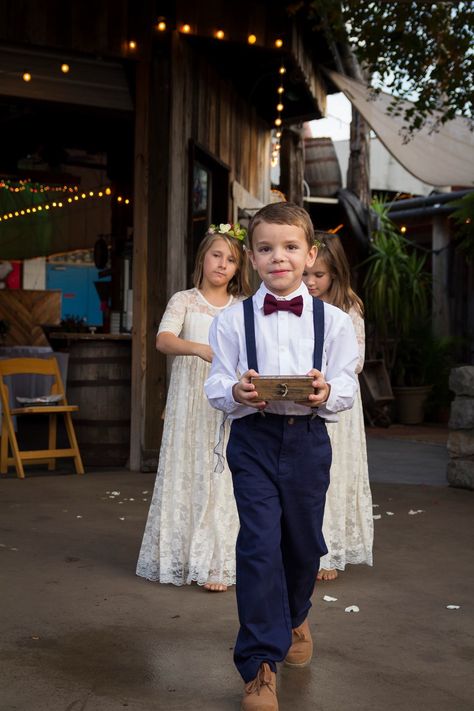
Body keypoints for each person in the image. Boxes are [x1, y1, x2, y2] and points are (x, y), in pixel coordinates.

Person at [205, 203, 359, 710]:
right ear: (251, 256)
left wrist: (324, 391)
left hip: (309, 442)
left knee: (302, 549)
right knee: (258, 548)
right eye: (267, 248)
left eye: (291, 247)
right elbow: (215, 383)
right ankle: (259, 667)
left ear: (310, 254)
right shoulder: (231, 320)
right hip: (253, 441)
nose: (279, 258)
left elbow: (346, 389)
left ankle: (295, 614)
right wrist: (237, 391)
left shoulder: (334, 322)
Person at [136, 223, 251, 592]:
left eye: (231, 259)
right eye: (216, 255)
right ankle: (182, 555)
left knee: (223, 474)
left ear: (237, 268)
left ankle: (218, 562)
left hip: (227, 400)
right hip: (189, 398)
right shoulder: (184, 300)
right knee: (188, 468)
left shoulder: (242, 307)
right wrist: (199, 348)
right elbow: (163, 340)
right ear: (202, 257)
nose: (222, 264)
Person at [303, 233, 373, 582]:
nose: (311, 282)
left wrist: (324, 377)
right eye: (306, 275)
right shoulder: (297, 304)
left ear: (335, 273)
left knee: (334, 474)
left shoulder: (348, 307)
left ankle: (327, 551)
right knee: (307, 477)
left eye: (320, 275)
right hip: (304, 397)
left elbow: (356, 361)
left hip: (338, 402)